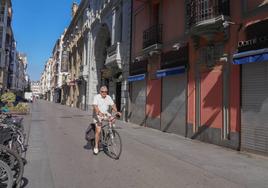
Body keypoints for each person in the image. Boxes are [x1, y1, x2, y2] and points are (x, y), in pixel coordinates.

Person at [92, 86, 121, 155]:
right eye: (102, 91)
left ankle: (110, 132)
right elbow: (95, 106)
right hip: (97, 115)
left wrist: (116, 111)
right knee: (98, 131)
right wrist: (99, 112)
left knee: (113, 119)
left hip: (105, 113)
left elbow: (113, 105)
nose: (104, 93)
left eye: (105, 92)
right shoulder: (97, 97)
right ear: (100, 92)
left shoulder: (108, 97)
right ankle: (96, 146)